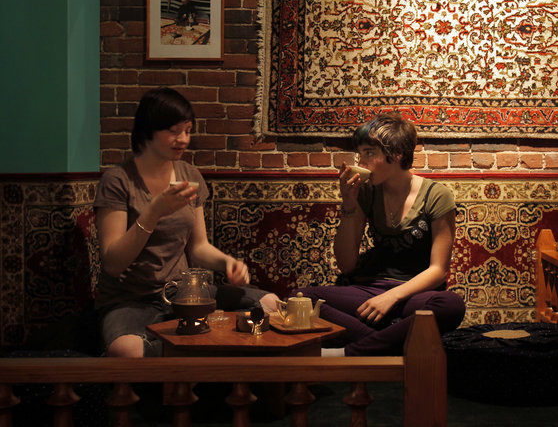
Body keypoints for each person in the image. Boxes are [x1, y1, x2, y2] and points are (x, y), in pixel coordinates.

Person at [94, 87, 279, 357]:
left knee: (270, 304)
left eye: (188, 130)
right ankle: (197, 351)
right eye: (173, 131)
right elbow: (113, 263)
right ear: (149, 129)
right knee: (126, 350)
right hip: (131, 300)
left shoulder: (188, 174)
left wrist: (228, 263)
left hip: (185, 295)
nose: (183, 139)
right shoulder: (118, 180)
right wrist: (154, 211)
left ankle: (189, 350)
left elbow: (198, 248)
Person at [296, 113, 466, 356]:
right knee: (302, 299)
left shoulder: (436, 195)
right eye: (360, 153)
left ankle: (352, 351)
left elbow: (439, 270)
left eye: (369, 153)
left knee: (451, 305)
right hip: (369, 288)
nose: (360, 161)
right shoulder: (367, 192)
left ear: (396, 155)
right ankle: (392, 341)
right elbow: (347, 265)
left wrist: (391, 298)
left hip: (414, 294)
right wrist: (349, 204)